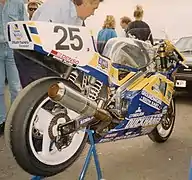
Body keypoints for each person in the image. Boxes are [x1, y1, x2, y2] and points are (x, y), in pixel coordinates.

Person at [14, 0, 103, 89]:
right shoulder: (56, 8)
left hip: (48, 58)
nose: (93, 13)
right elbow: (41, 39)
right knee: (38, 93)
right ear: (86, 2)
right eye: (93, 8)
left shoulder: (78, 19)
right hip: (32, 55)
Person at [0, 0, 28, 134]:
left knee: (16, 88)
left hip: (14, 50)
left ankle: (13, 122)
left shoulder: (18, 3)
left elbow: (25, 25)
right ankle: (1, 121)